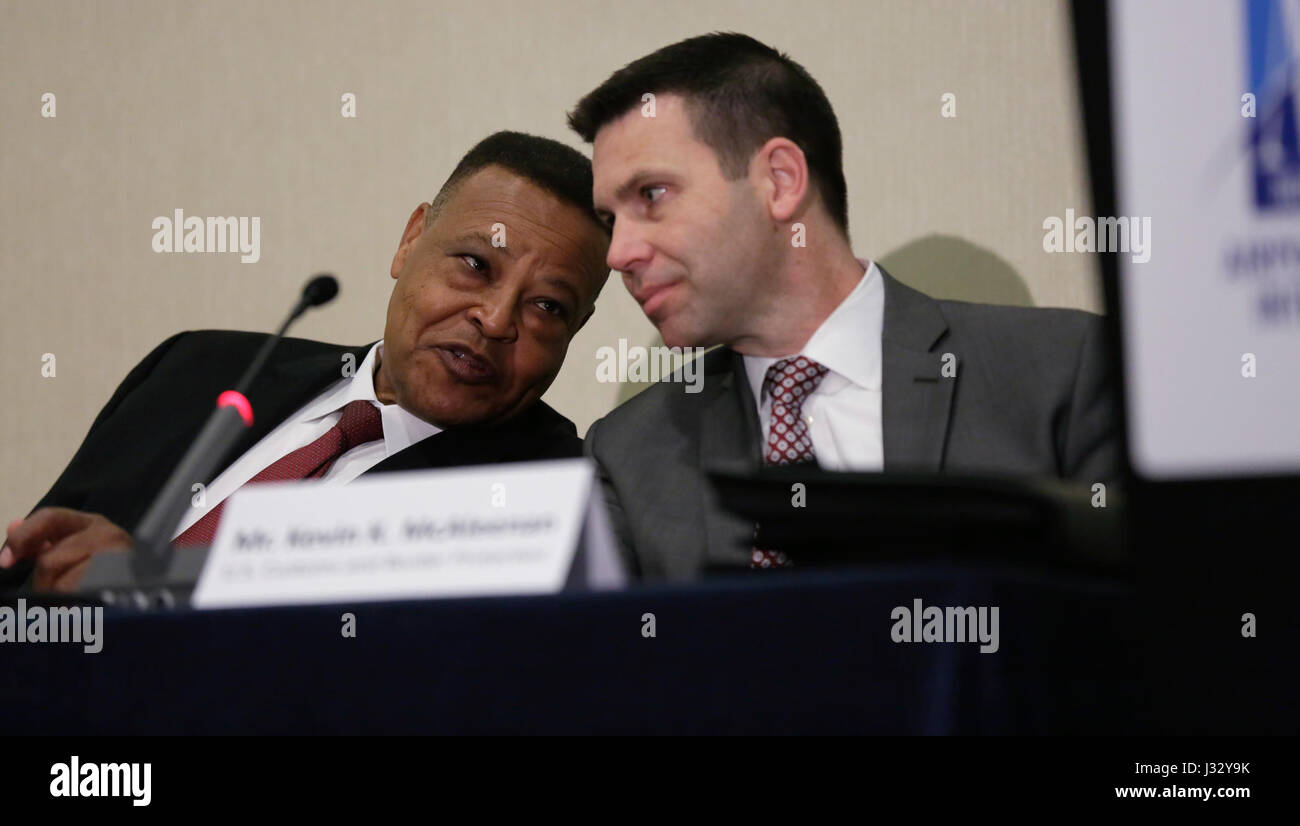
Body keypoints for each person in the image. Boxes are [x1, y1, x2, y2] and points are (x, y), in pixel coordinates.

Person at [568, 33, 1119, 580]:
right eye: (610, 220)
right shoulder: (627, 453)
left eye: (652, 195)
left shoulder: (1065, 370)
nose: (618, 254)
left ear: (780, 181)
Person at [1, 131, 611, 592]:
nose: (498, 319)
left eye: (547, 307)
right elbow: (29, 571)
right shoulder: (196, 368)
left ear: (576, 329)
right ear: (411, 240)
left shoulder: (548, 495)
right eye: (476, 266)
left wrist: (145, 593)